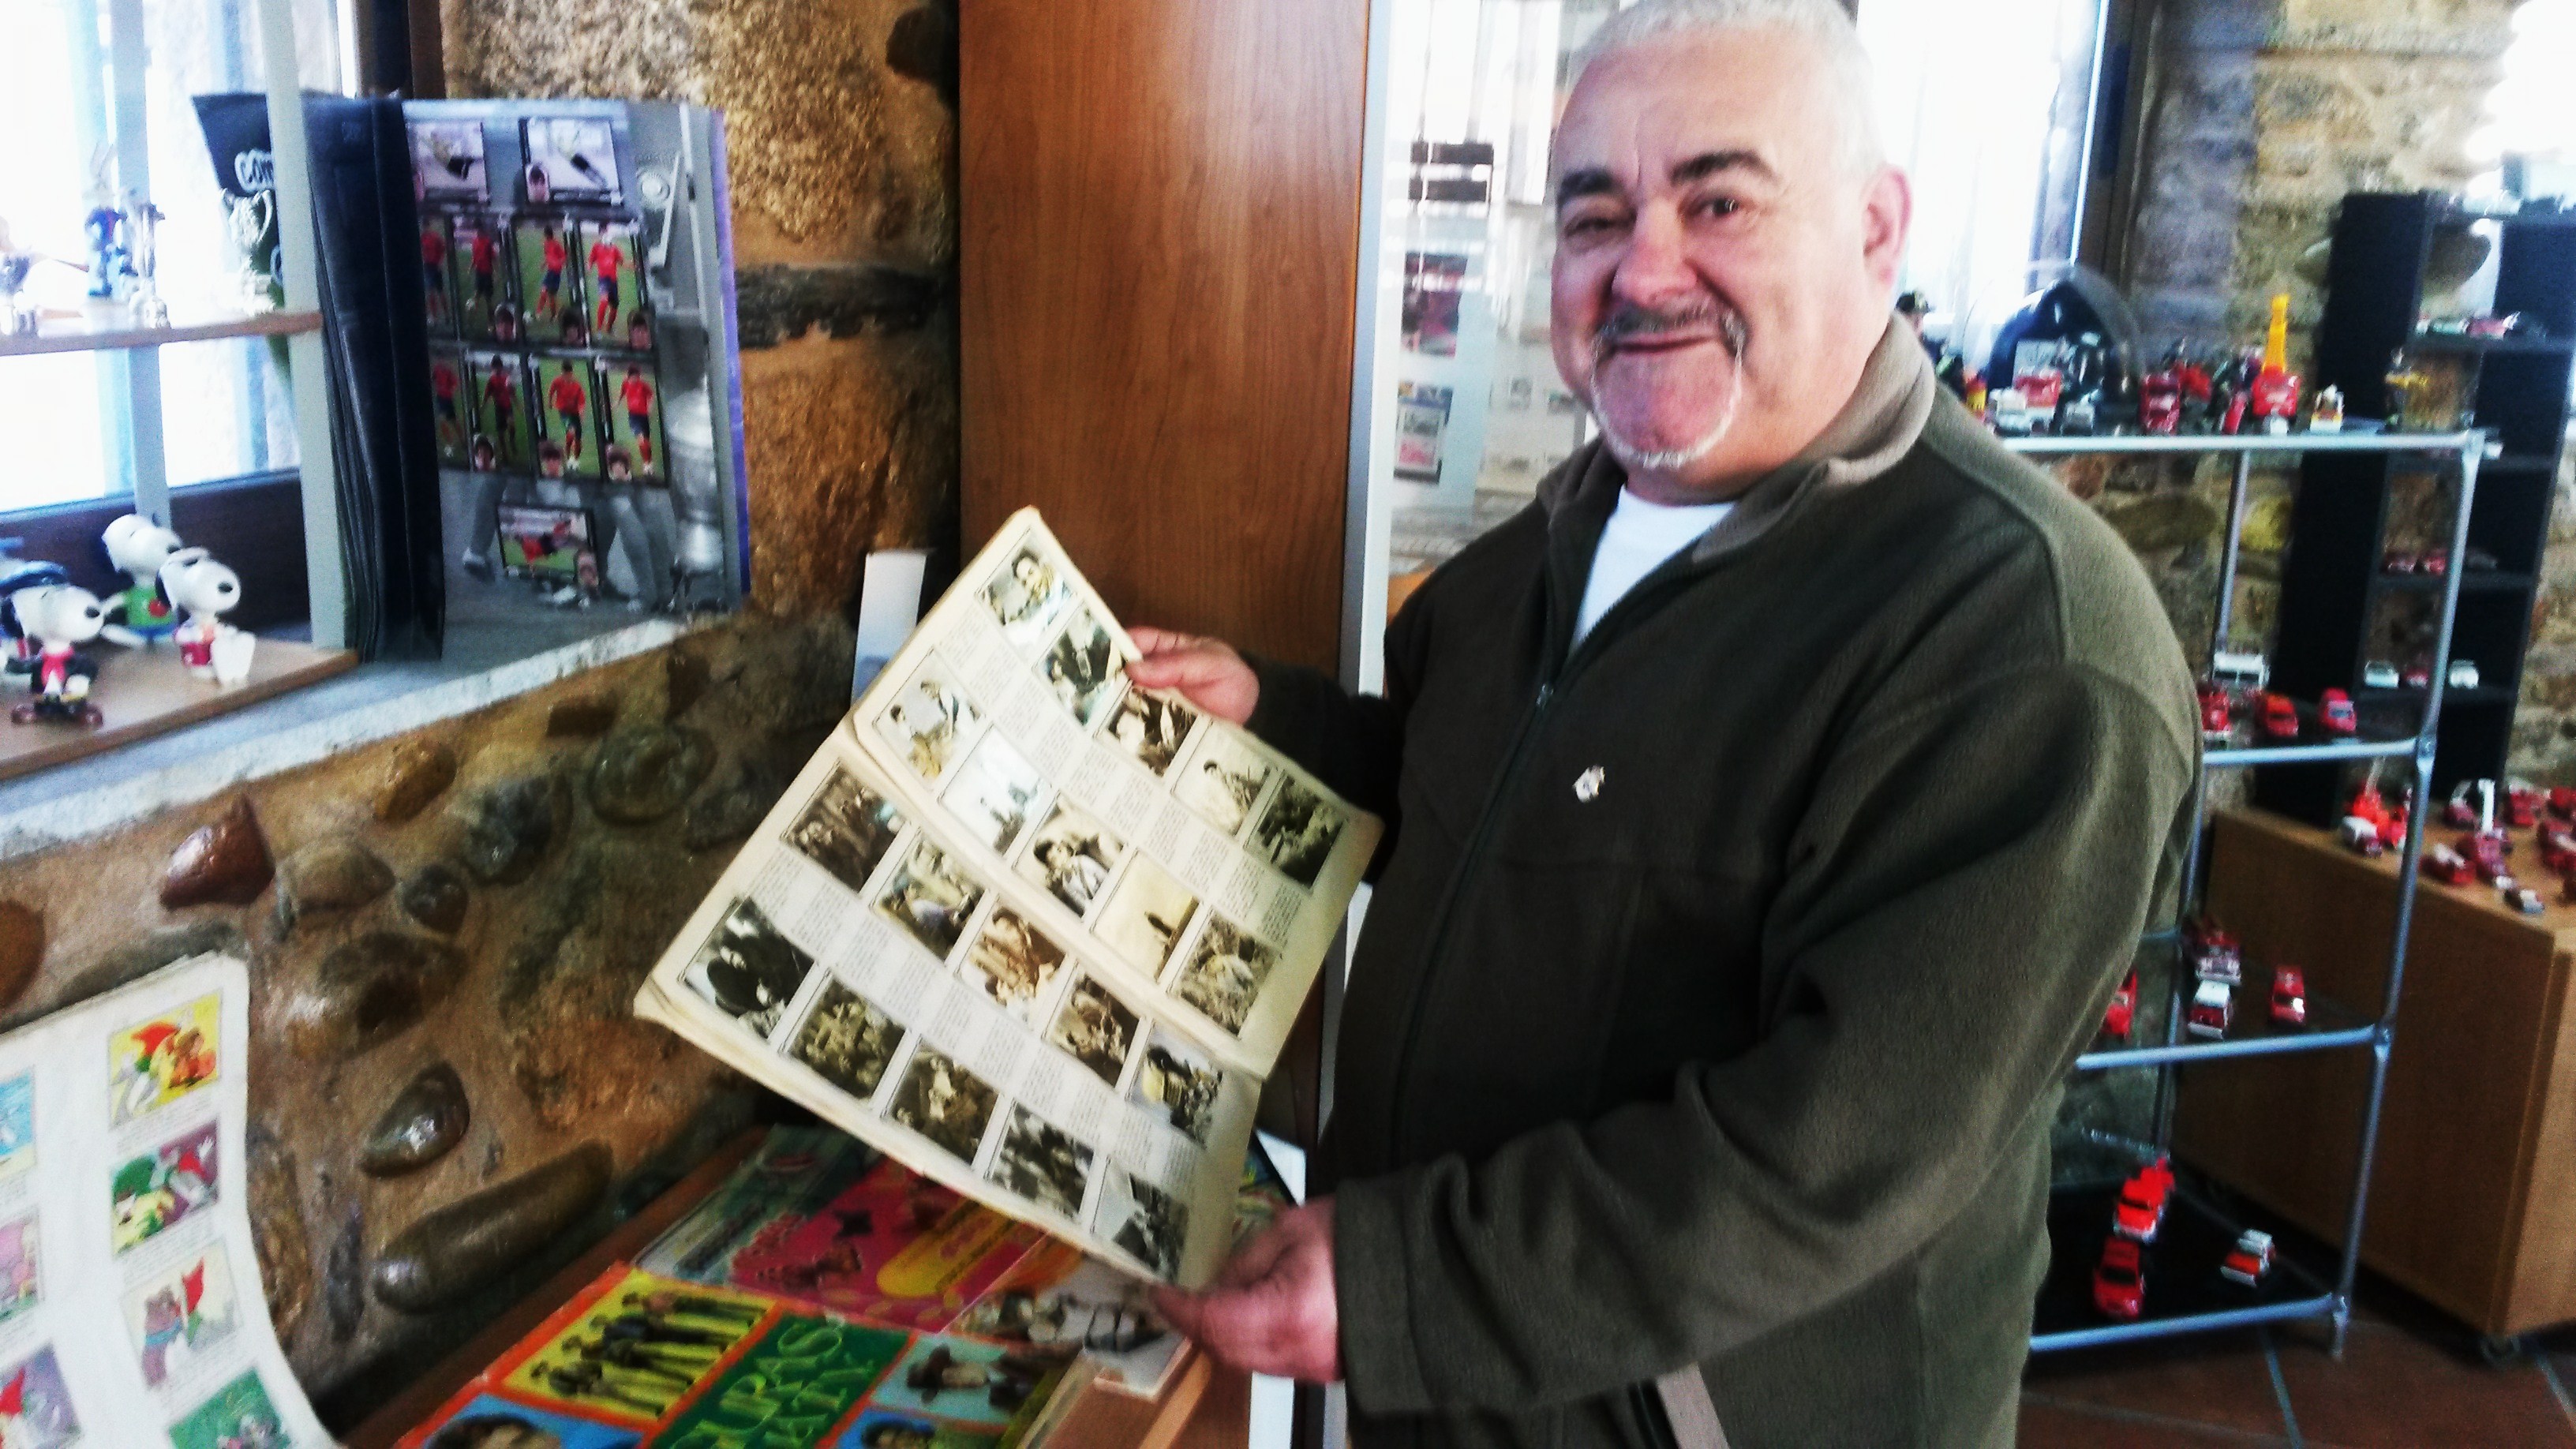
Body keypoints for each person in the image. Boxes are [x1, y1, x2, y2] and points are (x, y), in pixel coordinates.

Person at [1134, 3, 2197, 1446]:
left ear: (1876, 231)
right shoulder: (1531, 558)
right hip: (1444, 1395)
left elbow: (1831, 1157)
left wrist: (1403, 1287)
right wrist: (1274, 720)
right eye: (1594, 215)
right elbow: (1462, 799)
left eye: (1718, 202)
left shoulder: (2027, 636)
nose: (1641, 269)